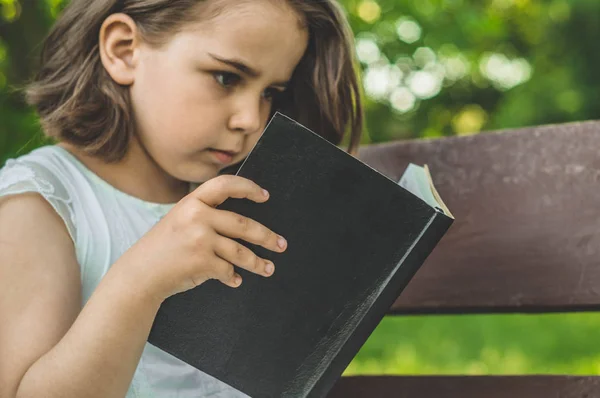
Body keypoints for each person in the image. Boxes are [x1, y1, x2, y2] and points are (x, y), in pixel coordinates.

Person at [0, 0, 363, 396]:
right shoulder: (41, 203)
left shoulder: (238, 204)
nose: (252, 119)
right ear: (124, 50)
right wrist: (140, 281)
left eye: (271, 93)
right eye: (227, 77)